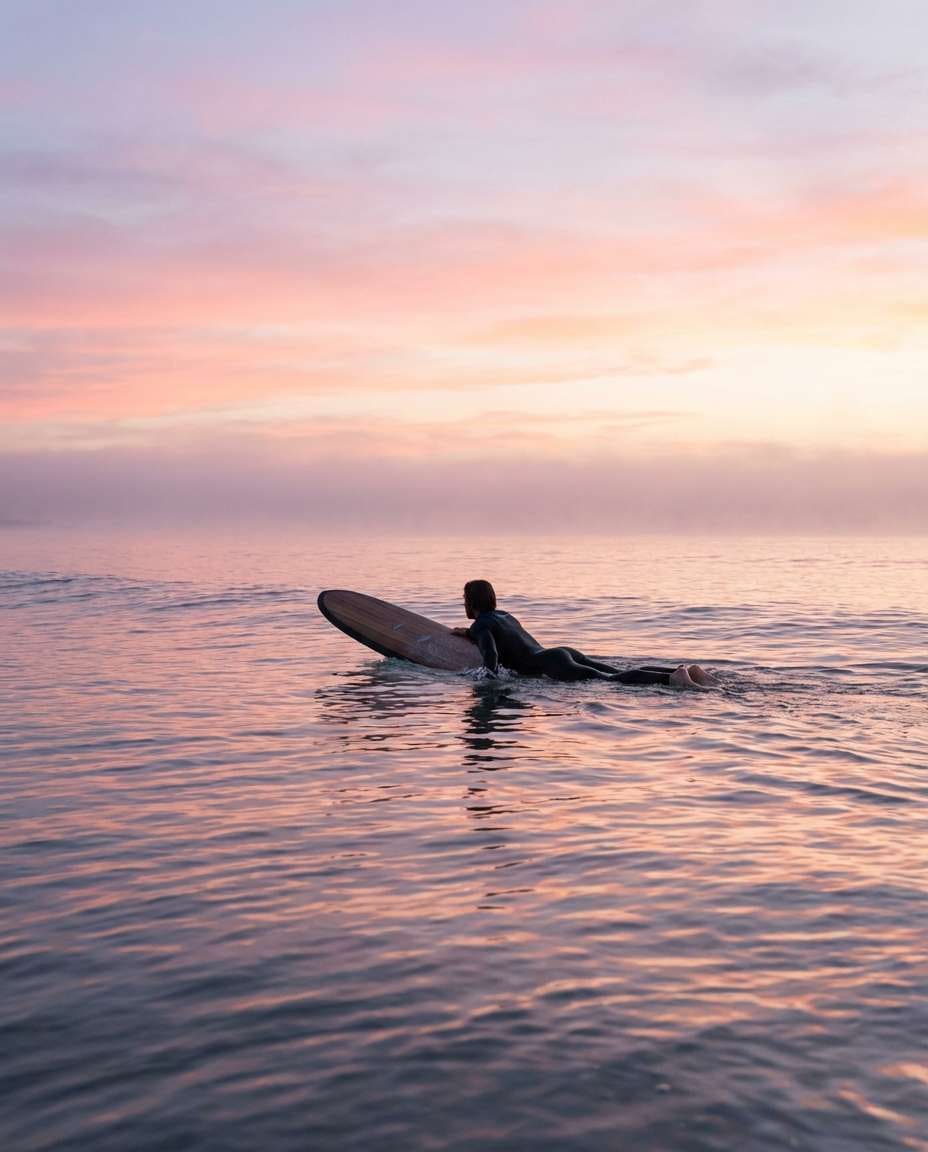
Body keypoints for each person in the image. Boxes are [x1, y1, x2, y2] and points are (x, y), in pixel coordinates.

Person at [451, 579, 719, 689]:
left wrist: (484, 681)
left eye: (464, 598)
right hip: (561, 653)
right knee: (614, 672)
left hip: (552, 664)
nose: (462, 603)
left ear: (470, 602)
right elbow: (497, 638)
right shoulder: (502, 616)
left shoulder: (482, 625)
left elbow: (491, 654)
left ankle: (673, 681)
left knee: (613, 681)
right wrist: (470, 633)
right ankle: (684, 671)